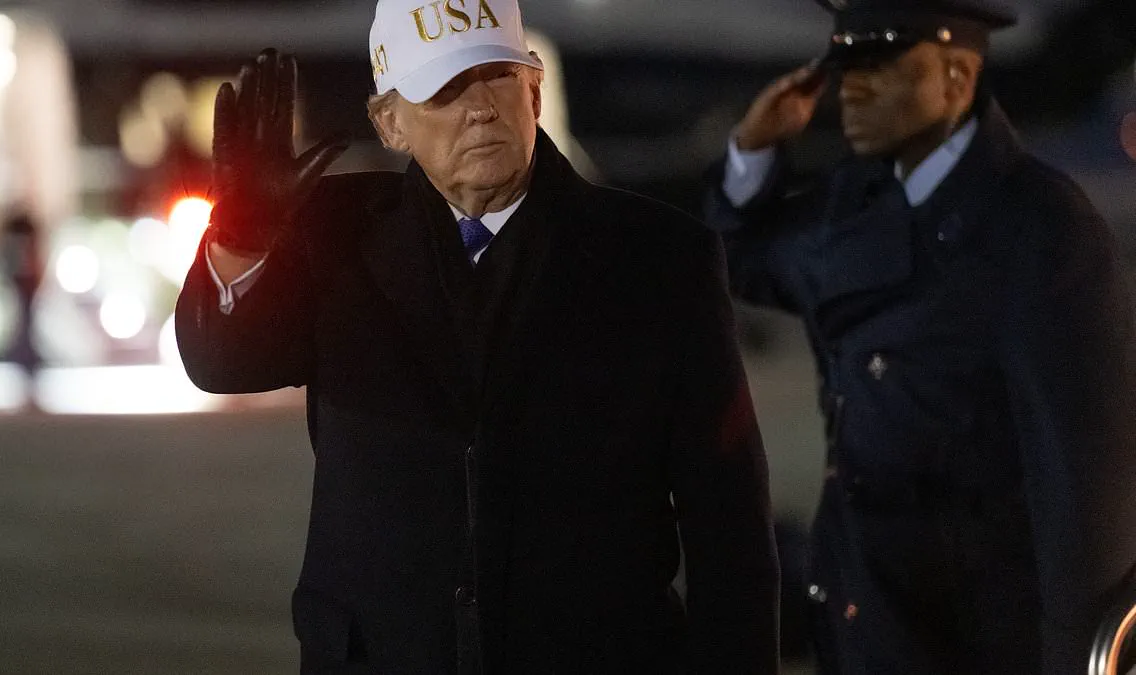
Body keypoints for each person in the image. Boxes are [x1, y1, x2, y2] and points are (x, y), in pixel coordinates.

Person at [176, 0, 780, 672]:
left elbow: (729, 522)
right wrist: (239, 242)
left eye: (497, 76)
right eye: (445, 89)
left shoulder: (660, 257)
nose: (481, 109)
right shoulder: (332, 234)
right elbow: (223, 364)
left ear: (534, 91)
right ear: (390, 122)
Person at [704, 0, 1136, 673]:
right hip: (867, 619)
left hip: (982, 635)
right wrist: (753, 152)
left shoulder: (1038, 226)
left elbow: (1084, 488)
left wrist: (1087, 655)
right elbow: (741, 261)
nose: (853, 90)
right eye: (847, 68)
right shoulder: (856, 200)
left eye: (880, 66)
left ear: (957, 77)